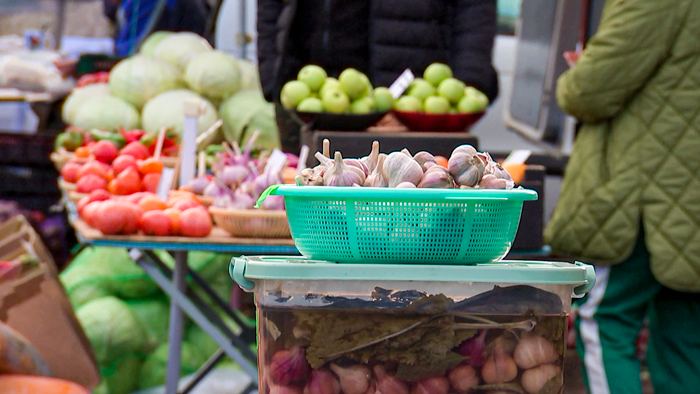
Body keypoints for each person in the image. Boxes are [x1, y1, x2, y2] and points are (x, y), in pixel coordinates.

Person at [544, 0, 700, 393]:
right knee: (683, 334)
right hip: (687, 197)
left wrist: (576, 72)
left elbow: (587, 92)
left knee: (604, 321)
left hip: (650, 200)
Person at [256, 0, 500, 152]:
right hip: (312, 100)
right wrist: (273, 74)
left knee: (414, 223)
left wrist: (467, 85)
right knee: (314, 221)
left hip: (410, 102)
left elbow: (475, 8)